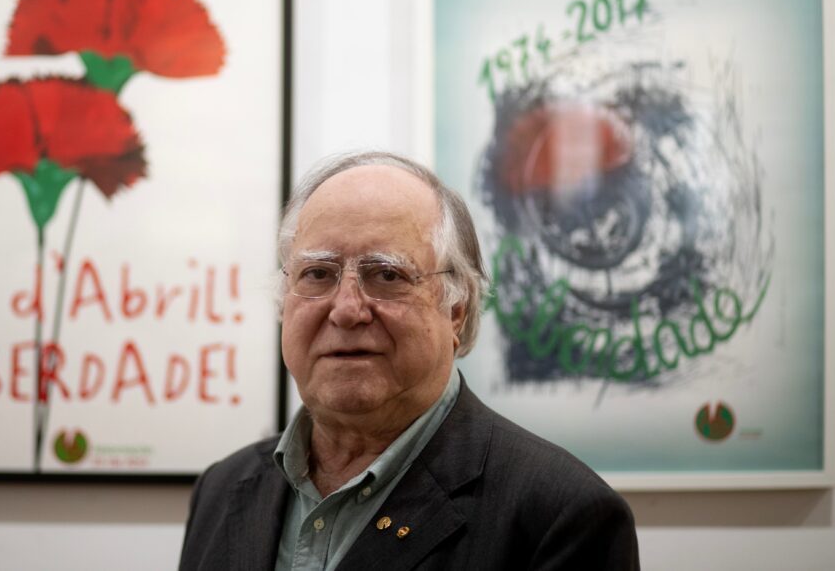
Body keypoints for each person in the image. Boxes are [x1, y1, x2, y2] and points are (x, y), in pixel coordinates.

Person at [179, 151, 639, 570]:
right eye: (317, 273)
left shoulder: (560, 517)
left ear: (456, 310)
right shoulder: (221, 490)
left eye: (387, 275)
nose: (346, 309)